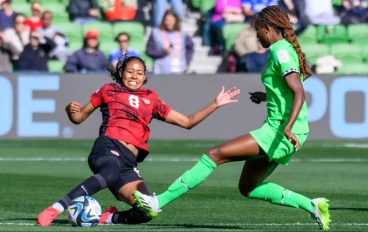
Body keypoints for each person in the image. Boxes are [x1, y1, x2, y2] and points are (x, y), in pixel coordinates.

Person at [133, 5, 332, 231]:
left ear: (267, 29)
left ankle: (158, 203)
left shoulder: (281, 51)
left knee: (214, 155)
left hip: (280, 130)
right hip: (282, 129)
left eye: (257, 30)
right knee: (248, 188)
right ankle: (313, 205)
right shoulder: (284, 49)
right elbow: (293, 84)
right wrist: (266, 95)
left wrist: (287, 128)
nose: (256, 36)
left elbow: (299, 92)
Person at [37, 53, 240, 227]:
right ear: (121, 72)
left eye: (139, 73)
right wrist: (70, 111)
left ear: (144, 77)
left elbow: (187, 122)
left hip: (128, 163)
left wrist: (215, 104)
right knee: (109, 173)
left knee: (148, 210)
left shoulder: (151, 98)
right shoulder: (108, 90)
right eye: (130, 71)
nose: (134, 76)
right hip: (108, 147)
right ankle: (56, 208)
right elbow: (79, 117)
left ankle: (107, 218)